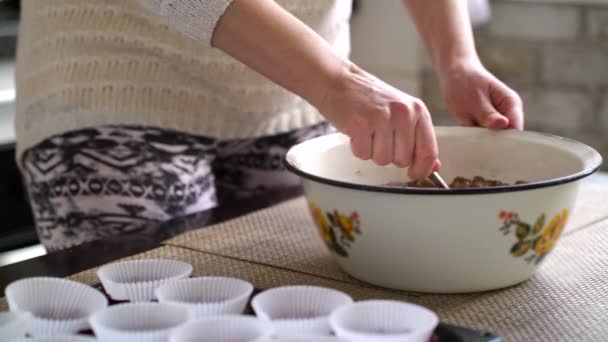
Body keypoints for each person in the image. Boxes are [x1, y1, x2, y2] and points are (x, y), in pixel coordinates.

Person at [15, 0, 523, 251]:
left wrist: (458, 61)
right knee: (144, 309)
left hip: (294, 104)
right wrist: (336, 81)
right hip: (111, 85)